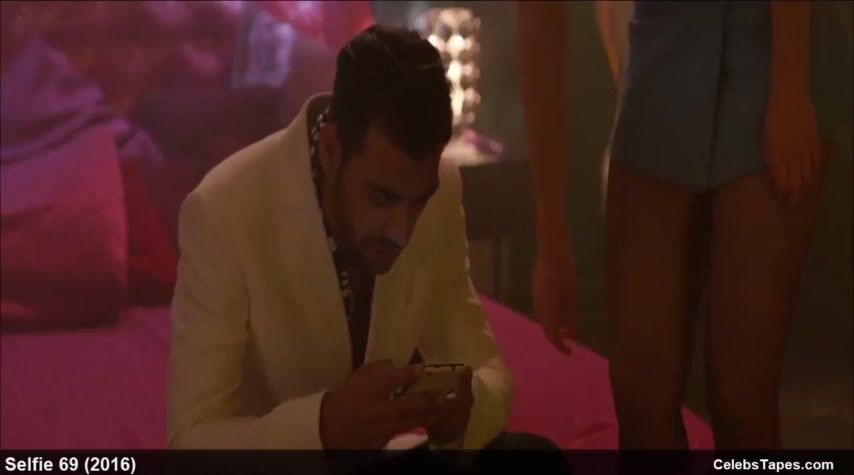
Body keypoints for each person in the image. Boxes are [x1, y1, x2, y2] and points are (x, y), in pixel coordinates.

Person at [167, 25, 562, 466]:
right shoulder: (223, 212)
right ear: (331, 149)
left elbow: (487, 370)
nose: (402, 232)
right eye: (381, 198)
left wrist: (462, 414)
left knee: (533, 460)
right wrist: (321, 428)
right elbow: (190, 443)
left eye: (418, 201)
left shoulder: (441, 188)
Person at [518, 2, 825, 449]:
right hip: (658, 64)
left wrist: (791, 87)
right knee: (639, 389)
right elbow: (540, 32)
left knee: (741, 393)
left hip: (771, 49)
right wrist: (550, 247)